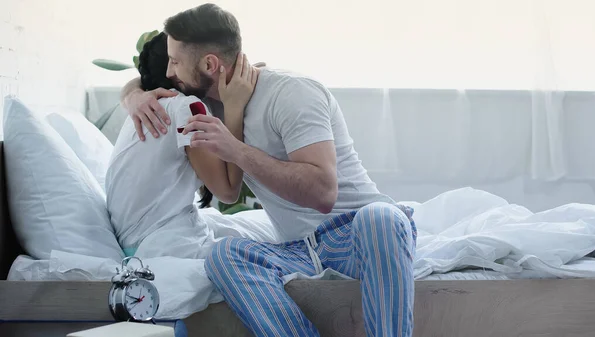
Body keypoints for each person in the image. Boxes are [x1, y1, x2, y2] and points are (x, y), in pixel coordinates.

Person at [120, 4, 417, 336]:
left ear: (209, 64)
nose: (171, 71)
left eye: (175, 61)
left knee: (383, 217)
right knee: (223, 255)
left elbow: (323, 193)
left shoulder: (291, 92)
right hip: (297, 250)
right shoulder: (212, 100)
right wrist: (132, 95)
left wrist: (237, 150)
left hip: (352, 235)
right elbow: (147, 77)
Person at [105, 31, 263, 258]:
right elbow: (227, 192)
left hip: (135, 240)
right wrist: (235, 108)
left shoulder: (147, 106)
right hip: (164, 243)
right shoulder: (186, 108)